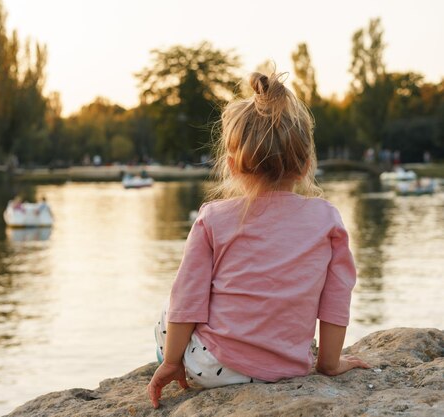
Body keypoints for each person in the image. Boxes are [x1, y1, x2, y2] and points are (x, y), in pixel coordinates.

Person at [147, 72, 370, 409]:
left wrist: (171, 362)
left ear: (233, 165)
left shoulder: (213, 218)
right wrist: (329, 364)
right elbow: (336, 299)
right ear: (306, 164)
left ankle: (176, 359)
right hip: (288, 366)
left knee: (168, 311)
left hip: (212, 369)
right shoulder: (328, 220)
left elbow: (187, 298)